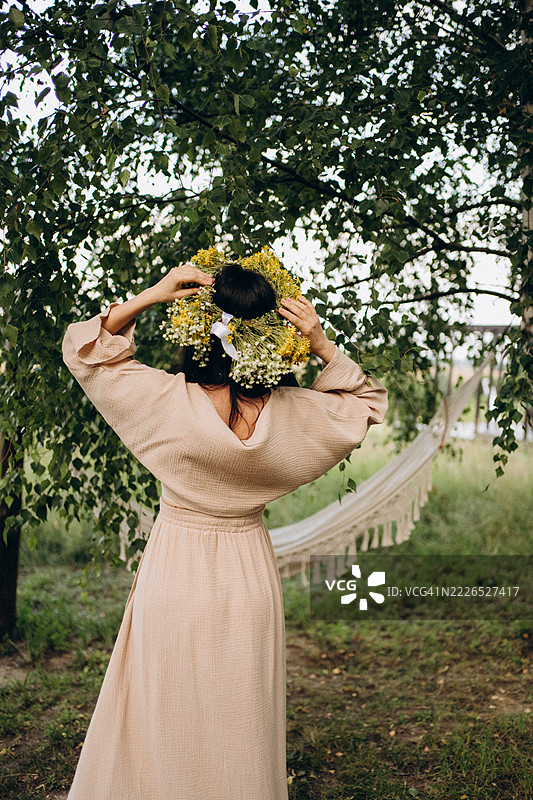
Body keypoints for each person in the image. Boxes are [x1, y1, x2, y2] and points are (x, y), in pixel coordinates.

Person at [61, 255, 388, 800]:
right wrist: (321, 344)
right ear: (272, 339)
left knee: (165, 714)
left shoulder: (164, 402)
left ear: (198, 333)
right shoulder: (292, 415)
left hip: (175, 570)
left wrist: (154, 293)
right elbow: (367, 400)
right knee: (240, 722)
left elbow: (84, 349)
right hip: (246, 577)